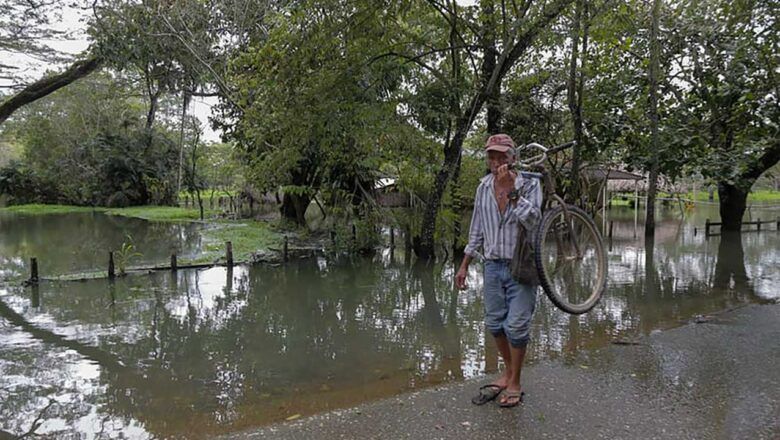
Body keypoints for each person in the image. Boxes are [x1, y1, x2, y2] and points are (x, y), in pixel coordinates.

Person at [455, 133, 542, 408]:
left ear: (513, 158)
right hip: (492, 266)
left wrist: (511, 190)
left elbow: (533, 221)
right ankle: (507, 372)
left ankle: (515, 381)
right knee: (495, 324)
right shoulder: (482, 187)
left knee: (516, 326)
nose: (496, 161)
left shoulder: (529, 184)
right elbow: (477, 229)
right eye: (491, 156)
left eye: (502, 156)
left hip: (521, 265)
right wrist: (464, 264)